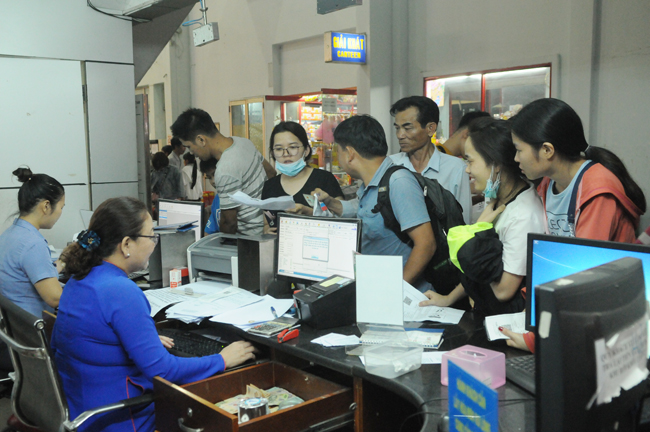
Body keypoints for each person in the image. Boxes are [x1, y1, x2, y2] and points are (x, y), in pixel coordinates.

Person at [52, 197, 256, 432]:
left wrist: (138, 341)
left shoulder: (78, 280)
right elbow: (164, 371)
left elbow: (68, 343)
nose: (154, 244)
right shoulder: (121, 291)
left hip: (82, 410)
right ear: (126, 244)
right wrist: (222, 359)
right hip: (120, 417)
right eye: (151, 236)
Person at [500, 98, 646, 351]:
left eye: (519, 149)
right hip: (574, 307)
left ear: (547, 150)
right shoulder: (549, 184)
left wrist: (536, 341)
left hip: (609, 312)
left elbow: (583, 274)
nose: (515, 158)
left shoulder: (597, 190)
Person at [419, 118, 546, 315]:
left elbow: (503, 290)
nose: (467, 169)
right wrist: (448, 299)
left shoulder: (524, 215)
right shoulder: (495, 196)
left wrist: (476, 235)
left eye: (470, 160)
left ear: (495, 165)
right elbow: (481, 271)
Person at [312, 115, 436, 291]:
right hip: (377, 287)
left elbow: (426, 244)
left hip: (403, 298)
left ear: (350, 153)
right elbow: (364, 210)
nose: (338, 157)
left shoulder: (398, 182)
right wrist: (331, 203)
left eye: (338, 151)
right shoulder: (370, 185)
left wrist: (396, 290)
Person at [171, 108, 275, 236]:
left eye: (189, 147)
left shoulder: (225, 168)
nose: (191, 153)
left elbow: (229, 223)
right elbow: (271, 173)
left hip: (250, 241)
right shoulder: (243, 142)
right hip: (265, 230)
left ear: (201, 140)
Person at [389, 96, 472, 224]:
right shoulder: (390, 165)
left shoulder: (455, 168)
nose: (400, 135)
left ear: (431, 128)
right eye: (397, 128)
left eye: (407, 128)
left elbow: (464, 222)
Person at [0, 167, 64, 318]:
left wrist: (62, 262)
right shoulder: (33, 244)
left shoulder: (9, 235)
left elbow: (31, 273)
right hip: (37, 331)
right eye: (61, 207)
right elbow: (55, 298)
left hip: (18, 329)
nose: (61, 212)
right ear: (46, 206)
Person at [262, 122, 343, 234]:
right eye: (279, 149)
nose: (286, 154)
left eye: (293, 147)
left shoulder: (324, 179)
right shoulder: (269, 186)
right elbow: (267, 221)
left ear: (306, 150)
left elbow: (342, 220)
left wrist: (308, 212)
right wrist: (266, 230)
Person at [200, 157, 221, 235]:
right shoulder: (217, 199)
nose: (213, 181)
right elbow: (208, 232)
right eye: (209, 177)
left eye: (215, 174)